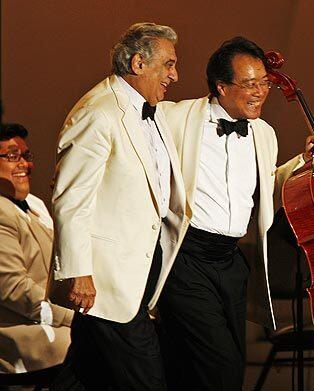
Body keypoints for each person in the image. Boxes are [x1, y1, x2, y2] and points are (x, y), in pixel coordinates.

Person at [159, 36, 314, 390]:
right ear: (221, 86)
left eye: (265, 83)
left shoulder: (264, 133)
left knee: (203, 367)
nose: (260, 92)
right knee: (221, 369)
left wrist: (304, 162)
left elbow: (268, 188)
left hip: (231, 262)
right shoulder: (174, 119)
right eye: (250, 84)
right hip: (186, 259)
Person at [49, 23, 189, 391]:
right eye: (169, 65)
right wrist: (78, 271)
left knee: (83, 374)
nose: (175, 75)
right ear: (139, 63)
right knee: (148, 379)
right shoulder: (97, 112)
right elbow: (71, 198)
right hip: (108, 280)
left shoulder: (151, 112)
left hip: (140, 273)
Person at [0, 123, 72, 374]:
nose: (24, 164)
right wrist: (72, 318)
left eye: (26, 156)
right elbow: (14, 290)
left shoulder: (34, 204)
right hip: (17, 330)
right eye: (11, 156)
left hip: (48, 318)